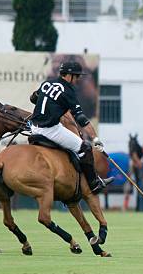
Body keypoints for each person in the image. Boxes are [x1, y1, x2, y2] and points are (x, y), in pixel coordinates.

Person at [29, 61, 107, 193]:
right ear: (69, 75)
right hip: (49, 130)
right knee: (85, 147)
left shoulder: (47, 83)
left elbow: (33, 98)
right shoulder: (68, 91)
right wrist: (95, 139)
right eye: (76, 76)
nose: (77, 80)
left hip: (33, 127)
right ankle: (94, 184)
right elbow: (81, 118)